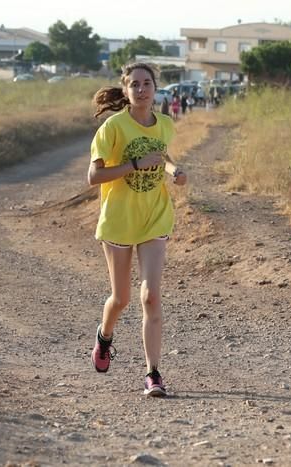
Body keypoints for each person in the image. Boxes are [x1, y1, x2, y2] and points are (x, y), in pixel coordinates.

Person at [88, 62, 188, 397]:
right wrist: (133, 165)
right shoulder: (113, 127)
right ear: (126, 90)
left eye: (147, 83)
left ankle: (153, 374)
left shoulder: (164, 124)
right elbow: (93, 177)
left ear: (156, 88)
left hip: (154, 218)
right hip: (118, 220)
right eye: (135, 84)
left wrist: (175, 170)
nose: (142, 89)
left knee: (151, 296)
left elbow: (162, 155)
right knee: (121, 299)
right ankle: (104, 338)